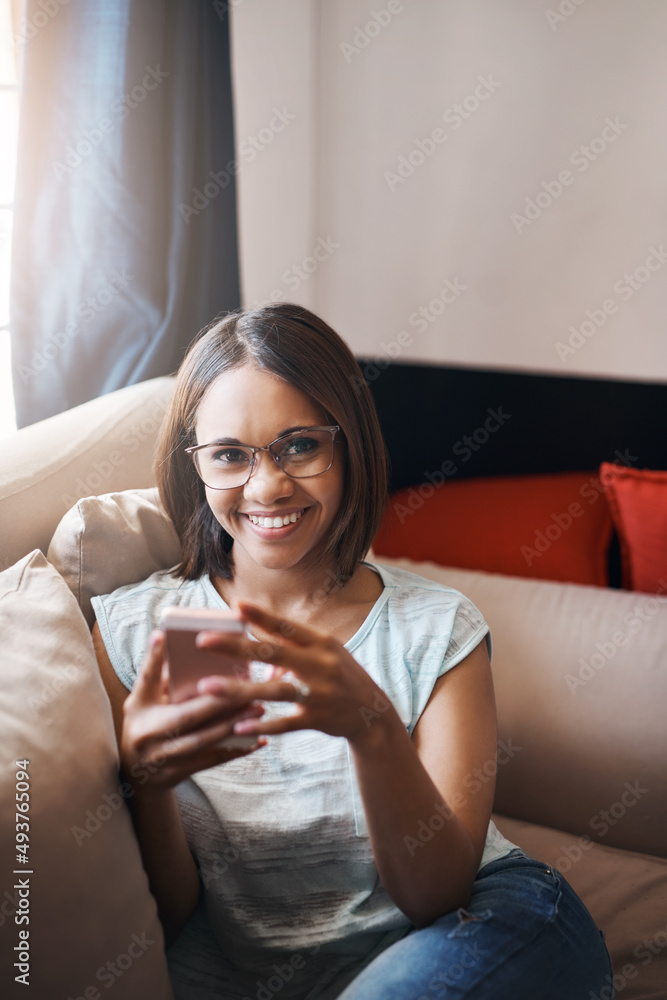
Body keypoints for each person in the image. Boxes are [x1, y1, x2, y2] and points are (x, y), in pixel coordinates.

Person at [91, 303, 615, 1000]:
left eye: (299, 445)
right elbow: (175, 911)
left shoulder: (435, 629)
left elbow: (436, 896)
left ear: (348, 447)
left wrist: (370, 725)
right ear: (196, 466)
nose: (267, 484)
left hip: (482, 927)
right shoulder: (137, 634)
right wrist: (145, 781)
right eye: (228, 455)